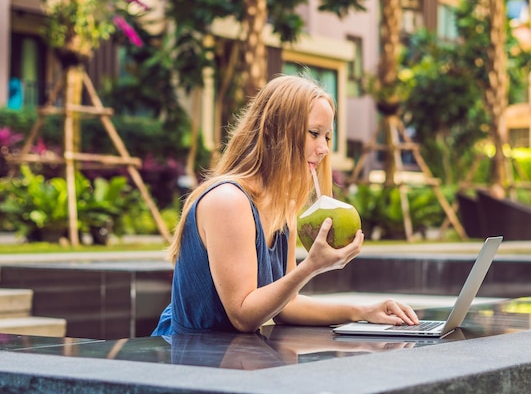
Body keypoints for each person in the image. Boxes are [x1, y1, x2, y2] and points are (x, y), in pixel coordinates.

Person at [151, 74, 419, 335]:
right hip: (188, 357)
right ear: (273, 132)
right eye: (314, 133)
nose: (324, 148)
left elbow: (286, 306)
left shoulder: (283, 207)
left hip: (233, 358)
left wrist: (363, 312)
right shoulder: (228, 201)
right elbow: (243, 315)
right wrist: (311, 266)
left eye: (327, 136)